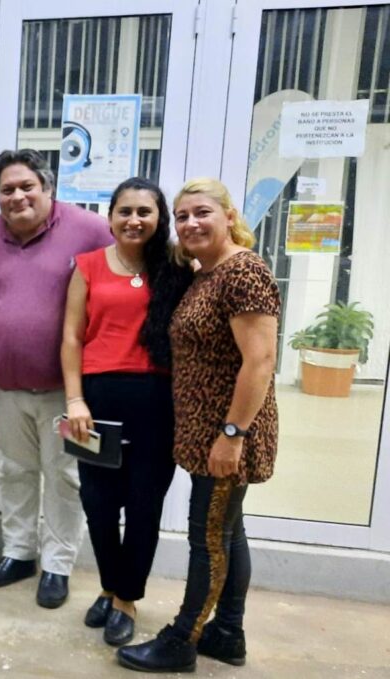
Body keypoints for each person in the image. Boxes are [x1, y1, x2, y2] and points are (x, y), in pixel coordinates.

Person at [117, 178, 279, 673]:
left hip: (227, 433)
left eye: (203, 213)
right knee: (228, 530)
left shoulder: (243, 272)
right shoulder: (207, 272)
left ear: (229, 216)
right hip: (208, 431)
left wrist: (232, 435)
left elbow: (260, 361)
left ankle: (182, 639)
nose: (191, 224)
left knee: (207, 538)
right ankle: (227, 632)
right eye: (183, 216)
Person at [0, 149, 112, 608]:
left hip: (66, 392)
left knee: (66, 476)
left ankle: (57, 565)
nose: (17, 196)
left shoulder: (91, 230)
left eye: (27, 186)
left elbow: (130, 272)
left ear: (48, 188)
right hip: (4, 387)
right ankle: (18, 553)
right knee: (14, 472)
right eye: (7, 189)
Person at [60, 178, 193, 645]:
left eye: (144, 212)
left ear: (159, 218)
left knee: (142, 507)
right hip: (95, 403)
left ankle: (125, 599)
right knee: (97, 505)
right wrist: (74, 399)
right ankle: (109, 585)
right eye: (125, 211)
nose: (134, 220)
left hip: (158, 403)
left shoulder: (177, 266)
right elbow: (72, 337)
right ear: (110, 217)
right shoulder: (88, 266)